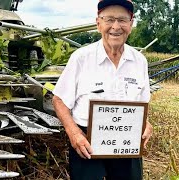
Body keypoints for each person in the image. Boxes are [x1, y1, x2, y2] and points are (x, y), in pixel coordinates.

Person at [52, 0, 153, 179]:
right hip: (87, 142)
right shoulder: (81, 58)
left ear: (131, 23)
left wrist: (146, 123)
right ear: (98, 23)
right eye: (109, 19)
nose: (116, 26)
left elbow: (143, 103)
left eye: (122, 20)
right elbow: (59, 100)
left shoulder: (139, 61)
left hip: (127, 143)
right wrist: (74, 133)